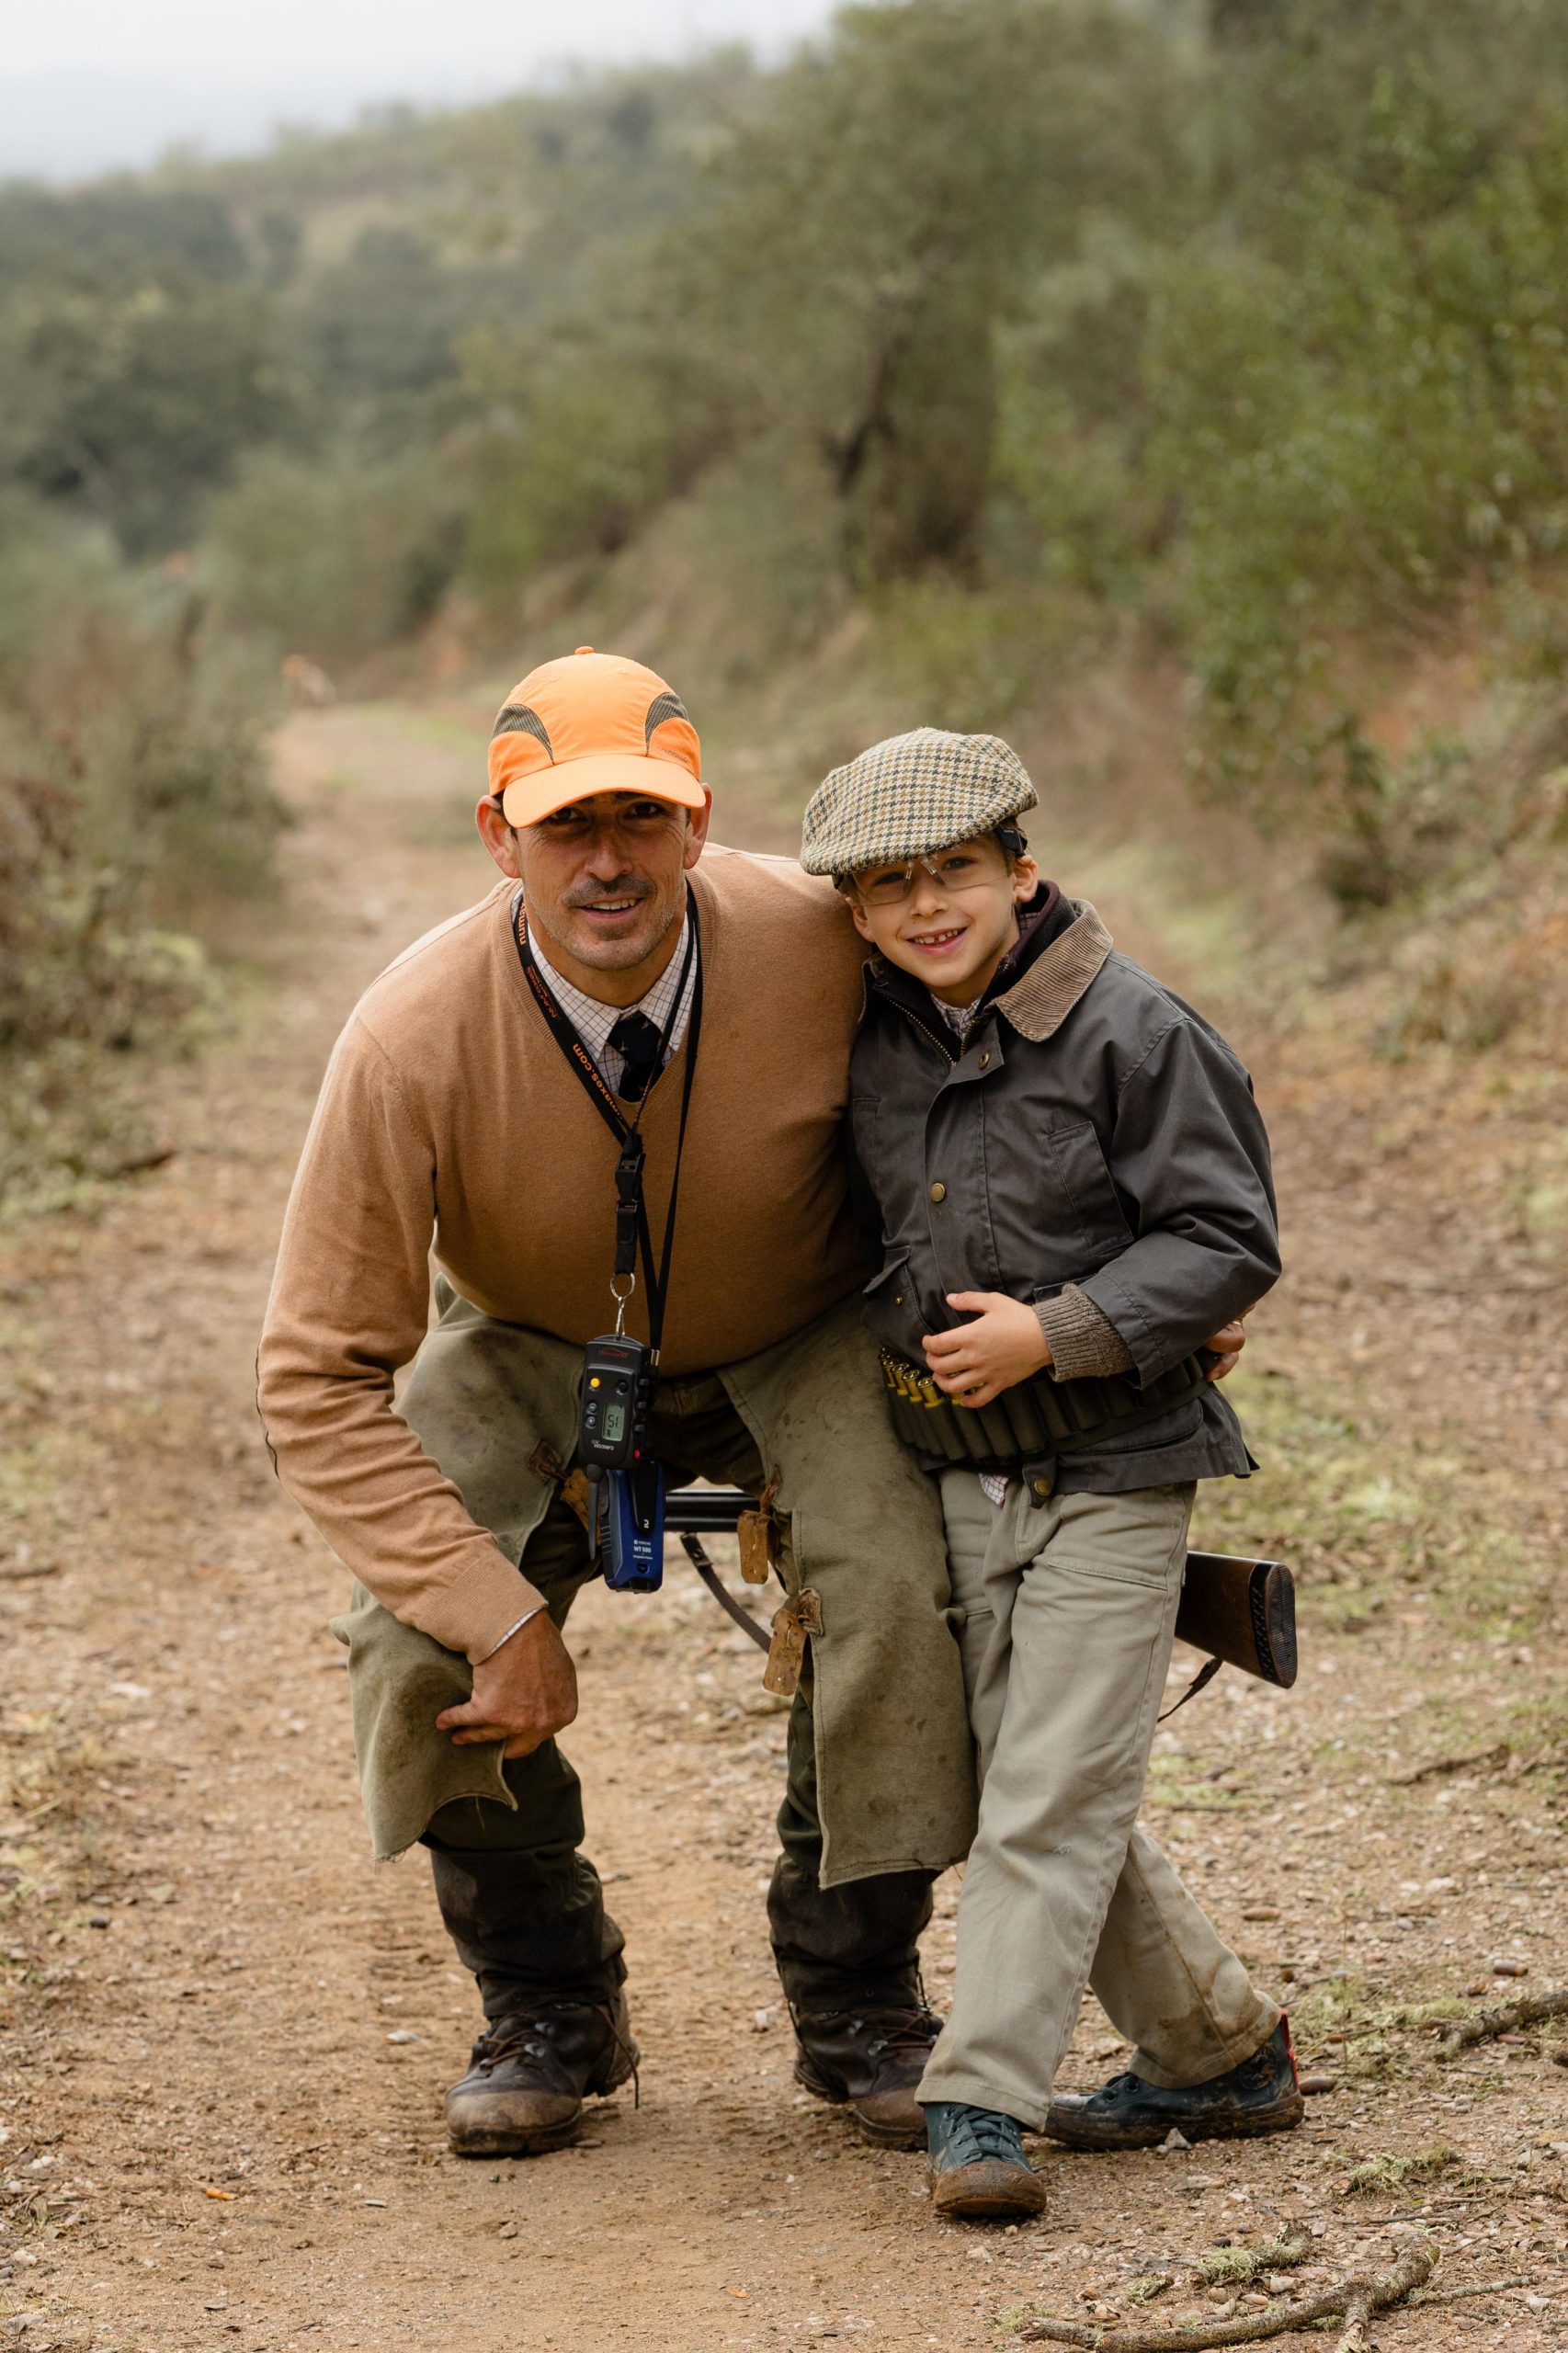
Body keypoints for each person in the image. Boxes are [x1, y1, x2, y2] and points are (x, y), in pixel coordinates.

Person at [256, 650, 982, 2158]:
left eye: (640, 819)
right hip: (534, 1342)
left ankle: (858, 1989)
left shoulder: (829, 938)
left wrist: (1142, 1281)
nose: (607, 861)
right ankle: (546, 1999)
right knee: (413, 1633)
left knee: (901, 1582)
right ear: (497, 837)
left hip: (802, 1328)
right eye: (566, 825)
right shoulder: (408, 1038)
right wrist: (494, 1614)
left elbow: (1037, 1040)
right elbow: (314, 1377)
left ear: (698, 820)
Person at [799, 727, 1303, 2222]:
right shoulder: (864, 1040)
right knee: (1032, 1781)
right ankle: (1219, 2052)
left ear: (1022, 870)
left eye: (953, 870)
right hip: (956, 1473)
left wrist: (1058, 1330)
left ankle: (977, 2101)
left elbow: (1226, 1238)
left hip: (1121, 1465)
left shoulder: (1136, 1031)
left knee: (1047, 1794)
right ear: (853, 912)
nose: (925, 906)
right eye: (887, 885)